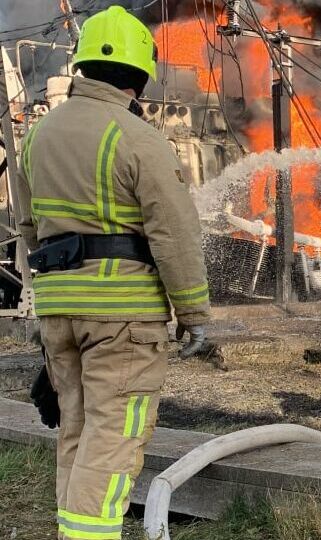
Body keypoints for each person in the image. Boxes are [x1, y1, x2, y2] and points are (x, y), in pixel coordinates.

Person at [13, 7, 209, 539]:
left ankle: (74, 529)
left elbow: (29, 229)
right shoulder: (137, 138)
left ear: (81, 66)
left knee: (75, 429)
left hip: (59, 311)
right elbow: (174, 234)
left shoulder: (37, 137)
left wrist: (55, 293)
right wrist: (195, 314)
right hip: (123, 316)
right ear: (140, 74)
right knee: (114, 435)